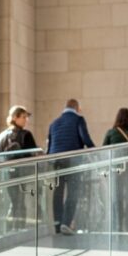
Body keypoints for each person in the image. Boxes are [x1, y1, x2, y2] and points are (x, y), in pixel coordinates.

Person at [46, 99, 96, 235]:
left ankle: (57, 225)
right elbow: (85, 139)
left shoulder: (54, 123)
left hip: (57, 161)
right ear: (77, 108)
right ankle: (66, 223)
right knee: (73, 191)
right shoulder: (78, 120)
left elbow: (49, 147)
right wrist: (95, 151)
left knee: (58, 192)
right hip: (73, 160)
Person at [0, 105, 39, 230]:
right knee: (19, 202)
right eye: (23, 117)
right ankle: (18, 228)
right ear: (15, 118)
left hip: (7, 175)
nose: (26, 120)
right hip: (21, 174)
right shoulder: (26, 135)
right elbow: (33, 154)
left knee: (13, 202)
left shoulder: (2, 136)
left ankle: (10, 228)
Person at [102, 107, 128, 232]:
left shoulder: (111, 133)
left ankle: (118, 225)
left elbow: (103, 151)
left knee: (117, 197)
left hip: (117, 170)